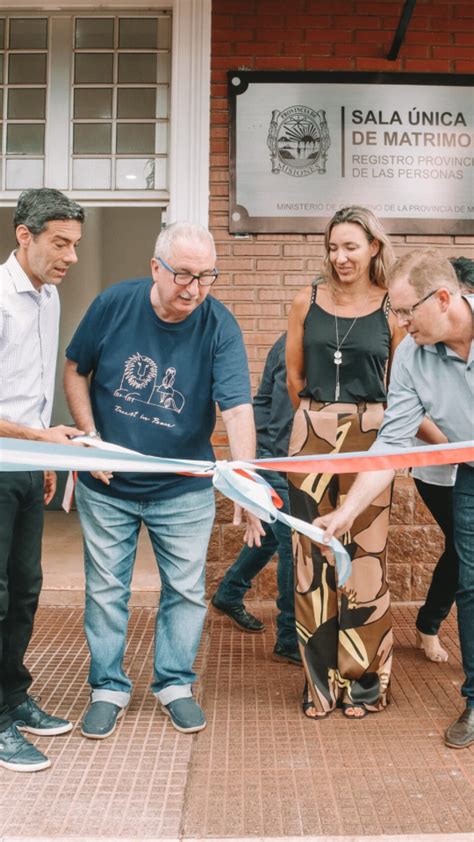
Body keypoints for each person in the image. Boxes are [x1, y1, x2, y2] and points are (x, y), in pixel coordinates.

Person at [63, 222, 263, 738]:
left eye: (206, 277)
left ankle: (174, 683)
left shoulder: (219, 325)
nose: (194, 288)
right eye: (183, 275)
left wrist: (243, 479)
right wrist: (88, 438)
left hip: (184, 490)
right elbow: (74, 369)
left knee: (186, 591)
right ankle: (108, 687)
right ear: (156, 268)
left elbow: (238, 410)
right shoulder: (114, 305)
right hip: (107, 487)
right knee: (107, 591)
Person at [315, 248, 473, 749]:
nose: (400, 323)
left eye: (407, 311)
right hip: (470, 471)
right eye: (394, 312)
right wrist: (345, 513)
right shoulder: (410, 354)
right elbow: (390, 447)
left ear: (444, 298)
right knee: (471, 581)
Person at [286, 206, 405, 720]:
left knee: (366, 561)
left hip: (372, 434)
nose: (340, 257)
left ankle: (363, 684)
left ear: (373, 247)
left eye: (351, 247)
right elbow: (294, 376)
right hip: (310, 432)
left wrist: (361, 424)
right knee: (310, 562)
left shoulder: (390, 310)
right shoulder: (305, 301)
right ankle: (319, 686)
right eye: (333, 247)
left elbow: (402, 385)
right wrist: (319, 423)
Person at [0, 188, 84, 773]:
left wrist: (46, 456)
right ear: (23, 236)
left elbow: (33, 390)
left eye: (75, 245)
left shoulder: (49, 298)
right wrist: (39, 441)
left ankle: (12, 697)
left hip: (28, 468)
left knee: (25, 590)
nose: (71, 256)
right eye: (60, 243)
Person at [211, 332, 300, 665]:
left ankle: (228, 593)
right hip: (276, 454)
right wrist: (282, 462)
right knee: (293, 543)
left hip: (272, 451)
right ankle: (289, 639)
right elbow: (283, 409)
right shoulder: (298, 339)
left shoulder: (297, 336)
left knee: (270, 537)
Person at [413, 257, 474, 663]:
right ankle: (428, 625)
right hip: (438, 471)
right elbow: (412, 414)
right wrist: (457, 448)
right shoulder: (417, 350)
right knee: (459, 550)